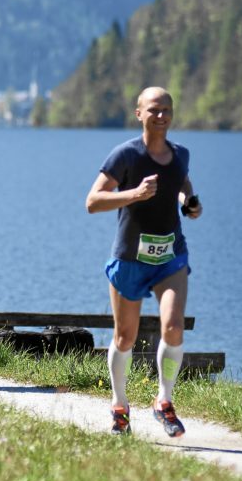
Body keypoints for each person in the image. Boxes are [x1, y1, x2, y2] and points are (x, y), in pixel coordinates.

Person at [85, 87, 202, 437]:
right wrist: (134, 194)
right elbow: (93, 201)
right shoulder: (126, 156)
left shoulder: (180, 154)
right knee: (125, 336)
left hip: (170, 257)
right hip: (129, 259)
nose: (162, 116)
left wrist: (189, 202)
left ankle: (163, 401)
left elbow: (181, 181)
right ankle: (120, 406)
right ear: (139, 114)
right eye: (154, 110)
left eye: (167, 110)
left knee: (174, 327)